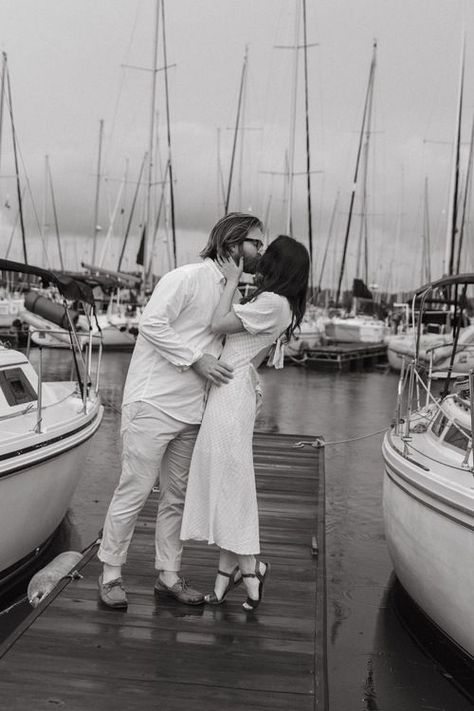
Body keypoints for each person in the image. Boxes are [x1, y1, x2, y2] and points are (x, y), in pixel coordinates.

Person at [97, 212, 264, 608]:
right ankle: (110, 574)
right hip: (153, 402)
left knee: (176, 497)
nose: (262, 250)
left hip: (193, 412)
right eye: (256, 243)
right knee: (134, 490)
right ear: (232, 244)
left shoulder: (234, 294)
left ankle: (168, 576)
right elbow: (151, 323)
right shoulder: (186, 277)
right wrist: (196, 360)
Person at [180, 235, 310, 610]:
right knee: (227, 483)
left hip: (231, 392)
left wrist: (233, 280)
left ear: (279, 264)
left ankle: (250, 571)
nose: (261, 256)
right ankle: (232, 576)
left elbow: (218, 323)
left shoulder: (272, 303)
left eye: (268, 253)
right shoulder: (278, 304)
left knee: (230, 484)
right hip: (233, 388)